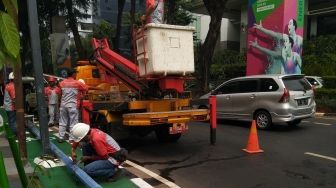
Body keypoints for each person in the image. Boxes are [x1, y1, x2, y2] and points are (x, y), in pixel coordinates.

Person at [58, 69, 88, 142]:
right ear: (73, 74)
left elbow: (59, 94)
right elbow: (86, 88)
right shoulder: (77, 83)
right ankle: (71, 138)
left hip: (63, 105)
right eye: (76, 73)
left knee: (62, 121)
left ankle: (60, 137)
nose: (76, 75)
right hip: (73, 106)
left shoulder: (61, 83)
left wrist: (60, 103)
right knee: (73, 122)